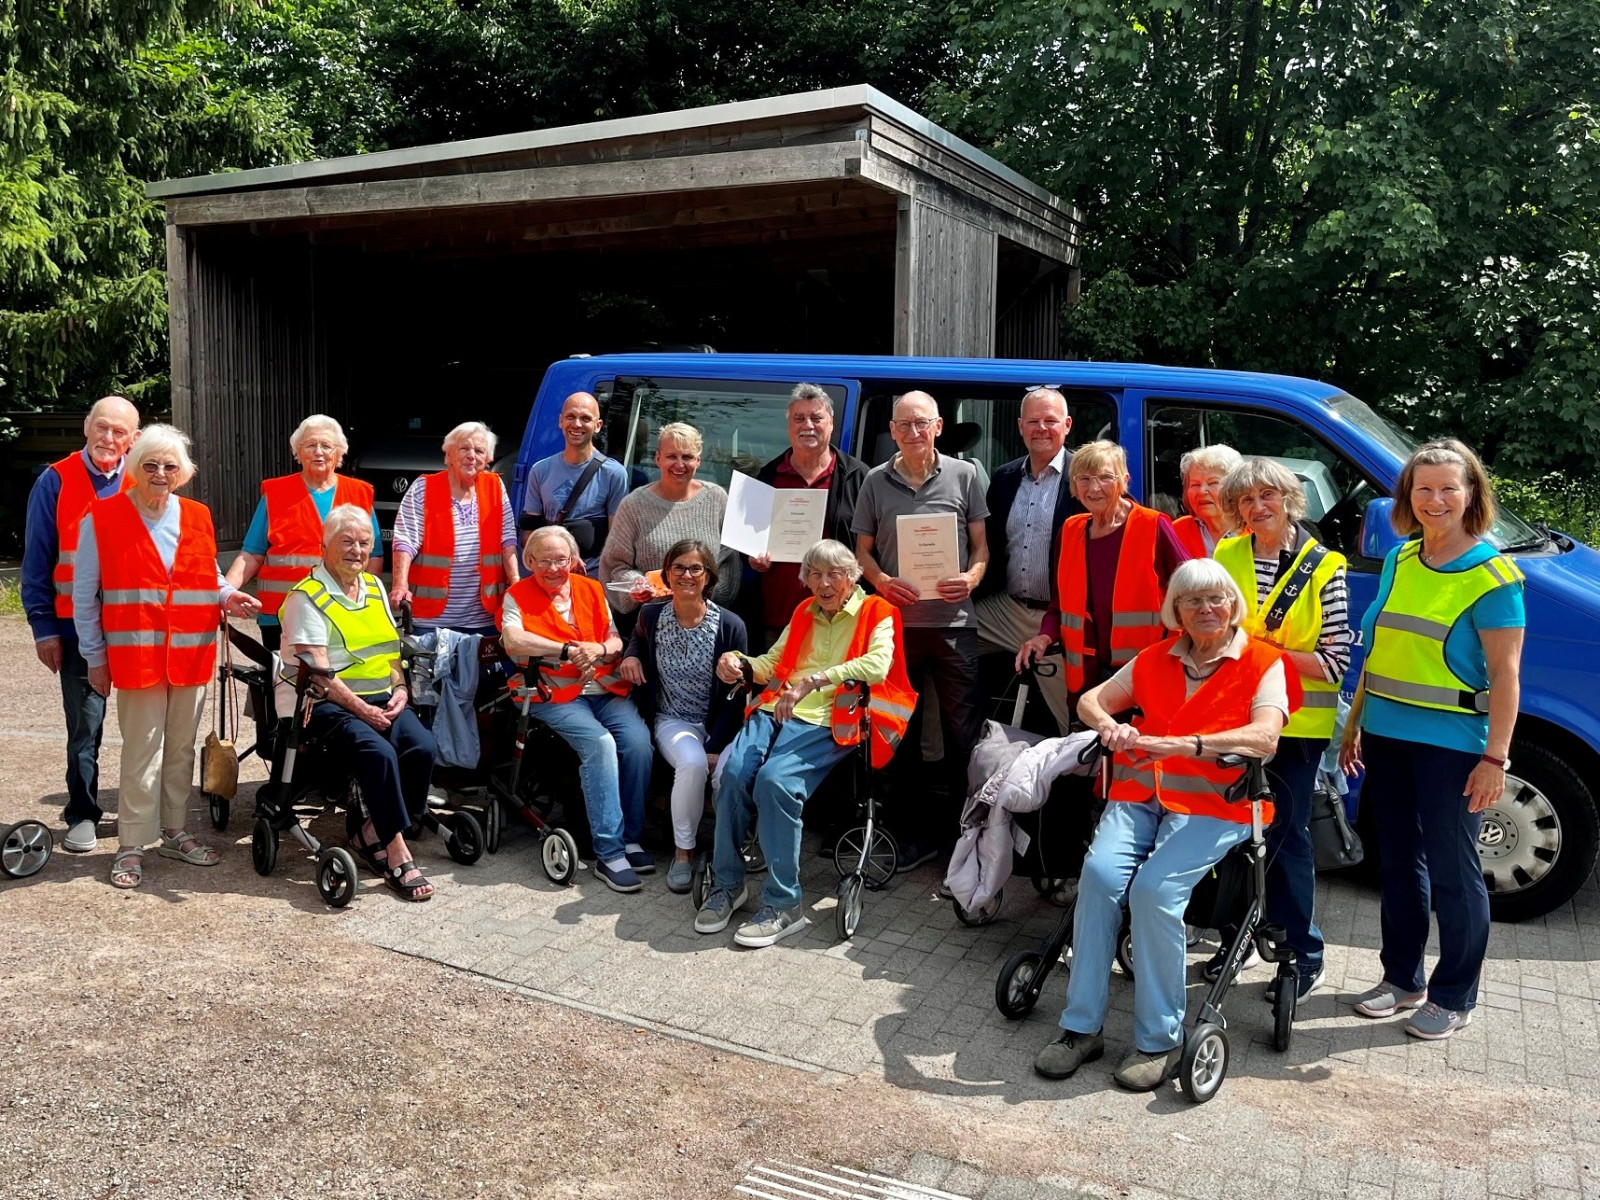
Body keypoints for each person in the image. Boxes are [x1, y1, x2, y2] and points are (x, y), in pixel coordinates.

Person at [1033, 558, 1295, 1090]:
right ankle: (1081, 1029)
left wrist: (1185, 745)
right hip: (1143, 792)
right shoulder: (1155, 657)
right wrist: (1110, 726)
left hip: (1218, 802)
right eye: (1192, 600)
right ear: (1175, 609)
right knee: (1100, 877)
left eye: (1215, 599)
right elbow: (1090, 700)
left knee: (1154, 891)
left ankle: (1159, 1039)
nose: (1205, 609)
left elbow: (1266, 738)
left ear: (1233, 606)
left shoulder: (1264, 662)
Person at [1340, 439, 1525, 1041]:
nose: (1435, 499)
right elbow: (1379, 648)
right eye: (1423, 489)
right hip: (1387, 736)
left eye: (1450, 488)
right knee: (1397, 862)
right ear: (1407, 496)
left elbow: (1506, 677)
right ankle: (1402, 979)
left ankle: (1454, 995)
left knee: (1454, 870)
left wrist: (1494, 758)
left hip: (1453, 747)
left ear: (1472, 494)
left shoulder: (1493, 576)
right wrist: (1354, 725)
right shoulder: (1401, 557)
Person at [696, 539, 917, 948]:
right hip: (776, 710)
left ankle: (784, 904)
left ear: (851, 578)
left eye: (834, 573)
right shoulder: (804, 611)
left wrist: (815, 680)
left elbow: (877, 665)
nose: (824, 582)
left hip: (832, 717)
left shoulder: (877, 612)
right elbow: (772, 665)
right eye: (814, 574)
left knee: (776, 782)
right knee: (732, 774)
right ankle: (727, 885)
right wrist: (738, 663)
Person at [71, 425, 261, 888]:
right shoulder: (103, 516)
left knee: (179, 749)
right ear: (135, 468)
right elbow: (83, 595)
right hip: (135, 658)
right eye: (150, 464)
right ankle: (132, 843)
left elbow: (208, 575)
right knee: (141, 751)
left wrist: (227, 597)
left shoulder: (197, 515)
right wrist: (95, 657)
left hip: (191, 655)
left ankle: (175, 832)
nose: (160, 473)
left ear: (183, 472)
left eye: (169, 466)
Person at [1209, 457, 1353, 996]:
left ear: (1289, 500)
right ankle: (1236, 938)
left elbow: (1336, 663)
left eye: (1267, 496)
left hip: (1296, 726)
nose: (1256, 507)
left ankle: (1301, 951)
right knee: (1226, 833)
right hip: (1232, 720)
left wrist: (1261, 655)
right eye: (1246, 500)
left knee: (1287, 836)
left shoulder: (1325, 565)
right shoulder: (1226, 552)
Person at [852, 391, 989, 872]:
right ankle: (910, 835)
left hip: (954, 625)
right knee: (900, 732)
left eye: (922, 424)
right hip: (896, 628)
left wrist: (971, 578)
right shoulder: (874, 481)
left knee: (962, 734)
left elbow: (982, 549)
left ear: (939, 427)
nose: (913, 432)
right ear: (892, 431)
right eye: (904, 425)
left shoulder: (966, 475)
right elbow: (862, 552)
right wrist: (883, 581)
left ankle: (960, 834)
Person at [280, 505, 438, 901]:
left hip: (381, 698)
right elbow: (319, 673)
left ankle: (370, 831)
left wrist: (400, 689)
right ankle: (397, 853)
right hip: (327, 704)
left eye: (364, 542)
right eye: (346, 541)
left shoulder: (373, 586)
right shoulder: (307, 596)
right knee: (379, 753)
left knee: (422, 747)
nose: (357, 550)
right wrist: (364, 711)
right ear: (324, 546)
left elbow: (389, 653)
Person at [502, 526, 655, 893]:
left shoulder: (589, 588)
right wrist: (570, 650)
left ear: (572, 560)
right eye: (543, 561)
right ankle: (609, 852)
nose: (553, 568)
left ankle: (632, 836)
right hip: (553, 694)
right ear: (529, 561)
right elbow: (513, 639)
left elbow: (614, 639)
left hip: (603, 687)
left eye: (561, 560)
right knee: (600, 745)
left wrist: (599, 651)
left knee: (638, 744)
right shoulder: (516, 595)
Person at [22, 395, 140, 854]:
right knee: (85, 728)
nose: (108, 439)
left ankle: (139, 812)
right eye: (102, 427)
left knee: (143, 724)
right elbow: (36, 562)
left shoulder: (146, 476)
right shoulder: (55, 480)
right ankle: (82, 813)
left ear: (133, 437)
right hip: (75, 630)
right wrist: (43, 628)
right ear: (86, 428)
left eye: (119, 432)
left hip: (136, 627)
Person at [619, 540, 749, 893]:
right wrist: (630, 656)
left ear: (709, 577)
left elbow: (738, 694)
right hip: (671, 719)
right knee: (691, 763)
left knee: (727, 774)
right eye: (679, 568)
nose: (687, 575)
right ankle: (683, 854)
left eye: (696, 569)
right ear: (667, 574)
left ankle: (729, 856)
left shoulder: (731, 626)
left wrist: (718, 744)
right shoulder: (651, 616)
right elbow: (636, 639)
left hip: (720, 723)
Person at [1018, 440, 1189, 700]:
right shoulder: (1070, 531)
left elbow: (1192, 591)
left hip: (1143, 677)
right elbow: (1059, 606)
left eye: (1105, 478)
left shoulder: (1154, 526)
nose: (1094, 488)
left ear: (1124, 480)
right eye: (1084, 479)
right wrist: (1043, 637)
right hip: (1085, 679)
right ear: (1074, 486)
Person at [975, 386, 1084, 732]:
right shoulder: (1005, 477)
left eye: (1050, 420)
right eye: (1033, 421)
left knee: (1076, 712)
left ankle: (1083, 780)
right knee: (941, 640)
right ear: (1020, 426)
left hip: (1062, 617)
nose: (1041, 428)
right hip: (1005, 609)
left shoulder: (1084, 478)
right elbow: (989, 544)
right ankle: (942, 759)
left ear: (1067, 425)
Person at [225, 414, 382, 650]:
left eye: (326, 446)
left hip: (343, 612)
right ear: (298, 453)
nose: (319, 452)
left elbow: (374, 556)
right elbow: (251, 554)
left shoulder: (359, 493)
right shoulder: (276, 492)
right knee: (284, 684)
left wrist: (368, 605)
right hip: (281, 613)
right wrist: (225, 592)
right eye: (310, 445)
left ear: (339, 452)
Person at [748, 383, 868, 650]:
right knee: (776, 691)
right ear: (789, 424)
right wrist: (754, 560)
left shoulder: (859, 478)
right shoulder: (765, 478)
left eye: (816, 417)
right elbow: (744, 548)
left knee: (833, 691)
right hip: (779, 621)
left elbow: (872, 548)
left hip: (839, 620)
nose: (808, 425)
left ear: (831, 423)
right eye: (799, 418)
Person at [390, 421, 519, 635]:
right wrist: (399, 585)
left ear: (488, 459)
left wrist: (515, 582)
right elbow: (405, 541)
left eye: (479, 451)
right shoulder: (424, 487)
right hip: (431, 619)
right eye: (464, 448)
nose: (471, 455)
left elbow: (508, 541)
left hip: (484, 616)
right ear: (448, 454)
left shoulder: (495, 487)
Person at [601, 422, 737, 618]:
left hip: (706, 619)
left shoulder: (716, 498)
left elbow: (730, 560)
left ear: (698, 460)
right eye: (671, 456)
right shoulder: (634, 505)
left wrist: (712, 591)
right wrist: (636, 585)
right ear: (658, 458)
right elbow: (614, 566)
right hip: (651, 621)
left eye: (687, 457)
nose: (680, 465)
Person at [522, 391, 630, 576]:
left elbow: (617, 539)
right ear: (561, 421)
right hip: (549, 577)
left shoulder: (614, 473)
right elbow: (528, 534)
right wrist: (562, 558)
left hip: (593, 577)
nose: (577, 424)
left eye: (585, 418)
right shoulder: (539, 470)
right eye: (570, 416)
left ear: (598, 426)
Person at [1172, 444, 1242, 557]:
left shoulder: (1256, 530)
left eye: (1213, 482)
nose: (1201, 491)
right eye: (1195, 484)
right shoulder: (1177, 531)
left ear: (1235, 487)